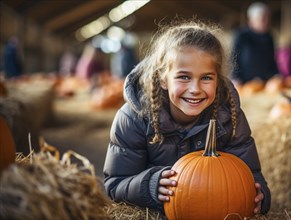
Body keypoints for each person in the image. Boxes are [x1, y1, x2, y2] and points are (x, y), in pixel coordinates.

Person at [103, 20, 271, 215]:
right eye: (184, 77)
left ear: (218, 79)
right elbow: (115, 184)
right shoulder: (134, 118)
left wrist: (260, 197)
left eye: (206, 78)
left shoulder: (229, 117)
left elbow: (252, 175)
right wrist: (149, 185)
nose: (195, 89)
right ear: (164, 79)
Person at [231, 2, 278, 87]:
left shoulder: (270, 37)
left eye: (268, 18)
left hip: (265, 82)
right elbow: (233, 57)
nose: (266, 22)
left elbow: (272, 59)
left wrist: (276, 75)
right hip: (244, 82)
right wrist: (235, 77)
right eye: (263, 18)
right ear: (252, 20)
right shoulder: (242, 35)